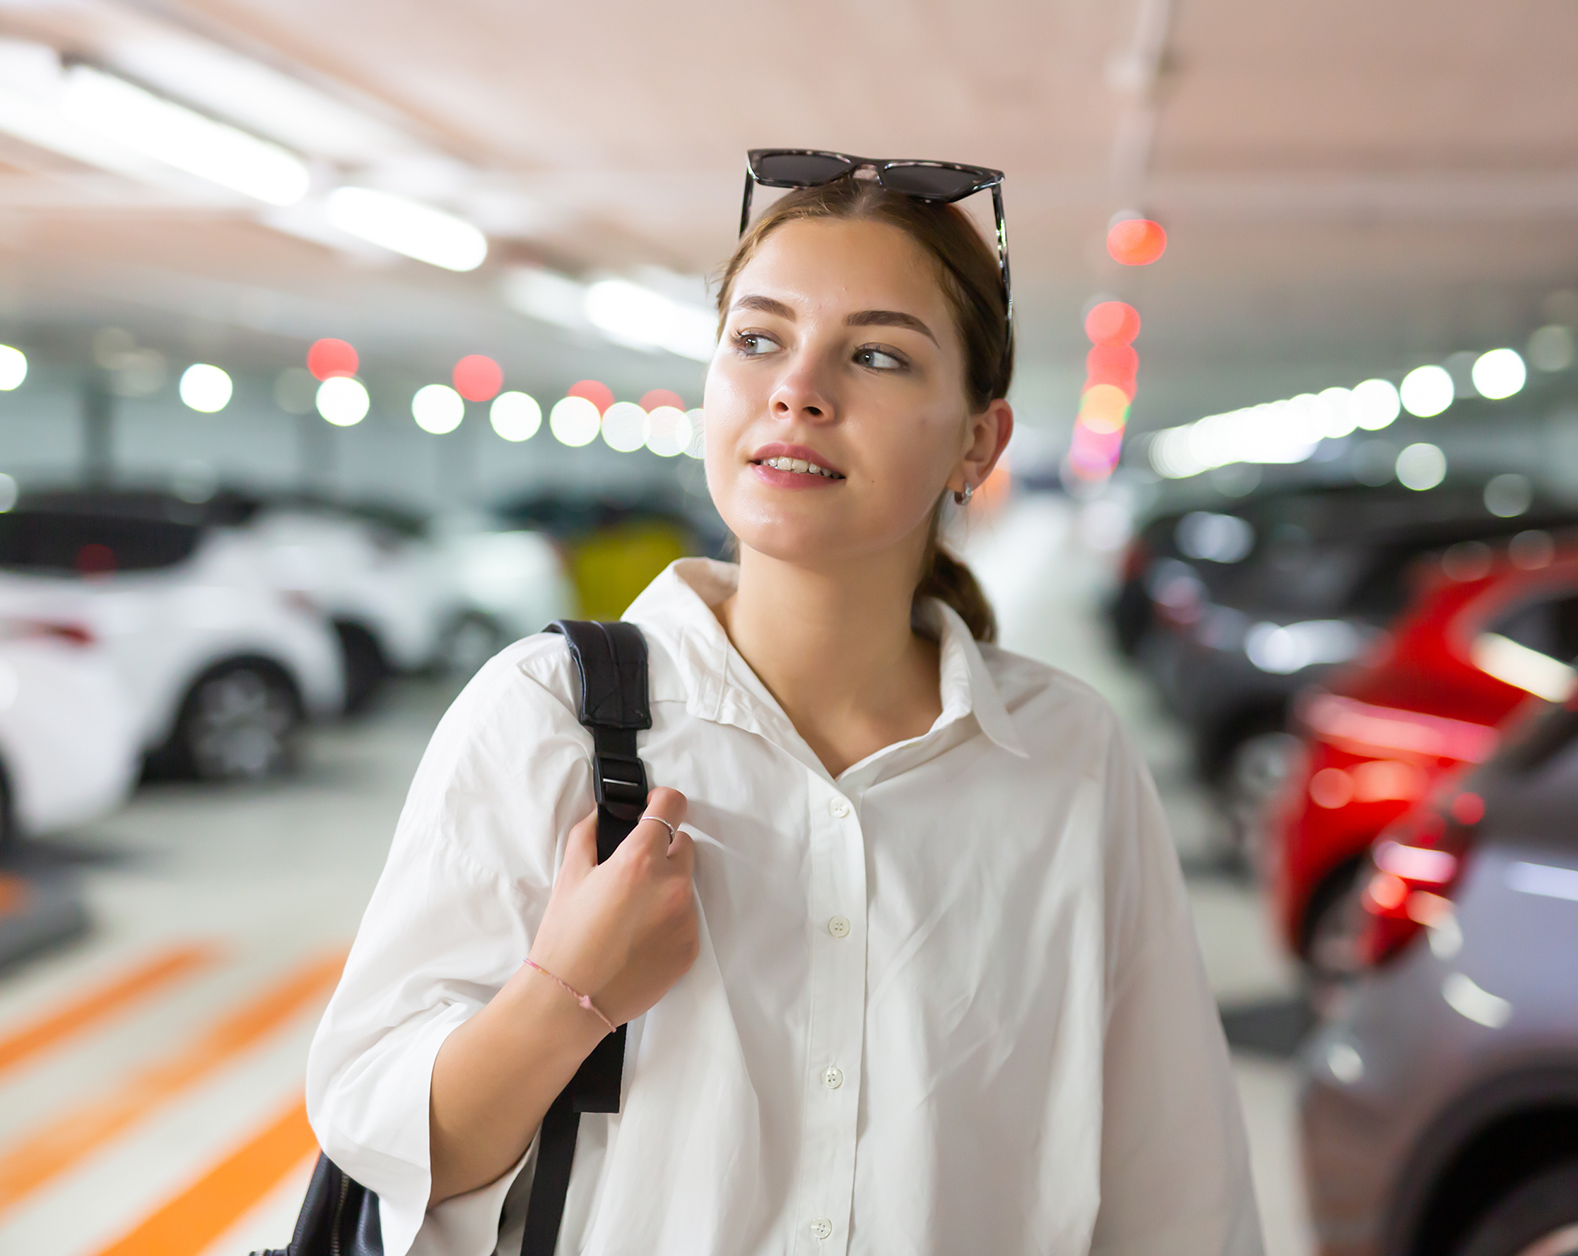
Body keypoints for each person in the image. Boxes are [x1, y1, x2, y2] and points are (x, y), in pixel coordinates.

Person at [308, 156, 1262, 1256]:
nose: (797, 389)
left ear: (976, 442)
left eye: (877, 355)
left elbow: (1174, 1185)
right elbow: (384, 1150)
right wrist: (565, 993)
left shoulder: (1066, 761)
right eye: (757, 339)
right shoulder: (544, 718)